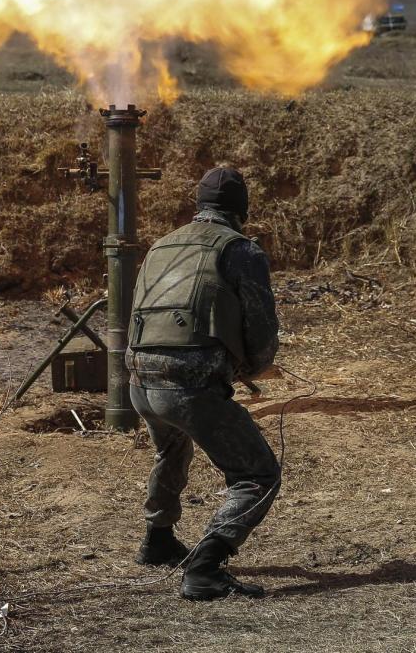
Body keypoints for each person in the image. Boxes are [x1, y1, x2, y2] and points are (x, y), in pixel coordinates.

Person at [126, 166, 281, 601]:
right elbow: (262, 328)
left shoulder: (160, 245)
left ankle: (157, 539)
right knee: (257, 473)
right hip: (189, 385)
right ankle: (206, 566)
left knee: (171, 446)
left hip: (139, 378)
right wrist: (252, 367)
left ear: (199, 204)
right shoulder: (240, 250)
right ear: (241, 210)